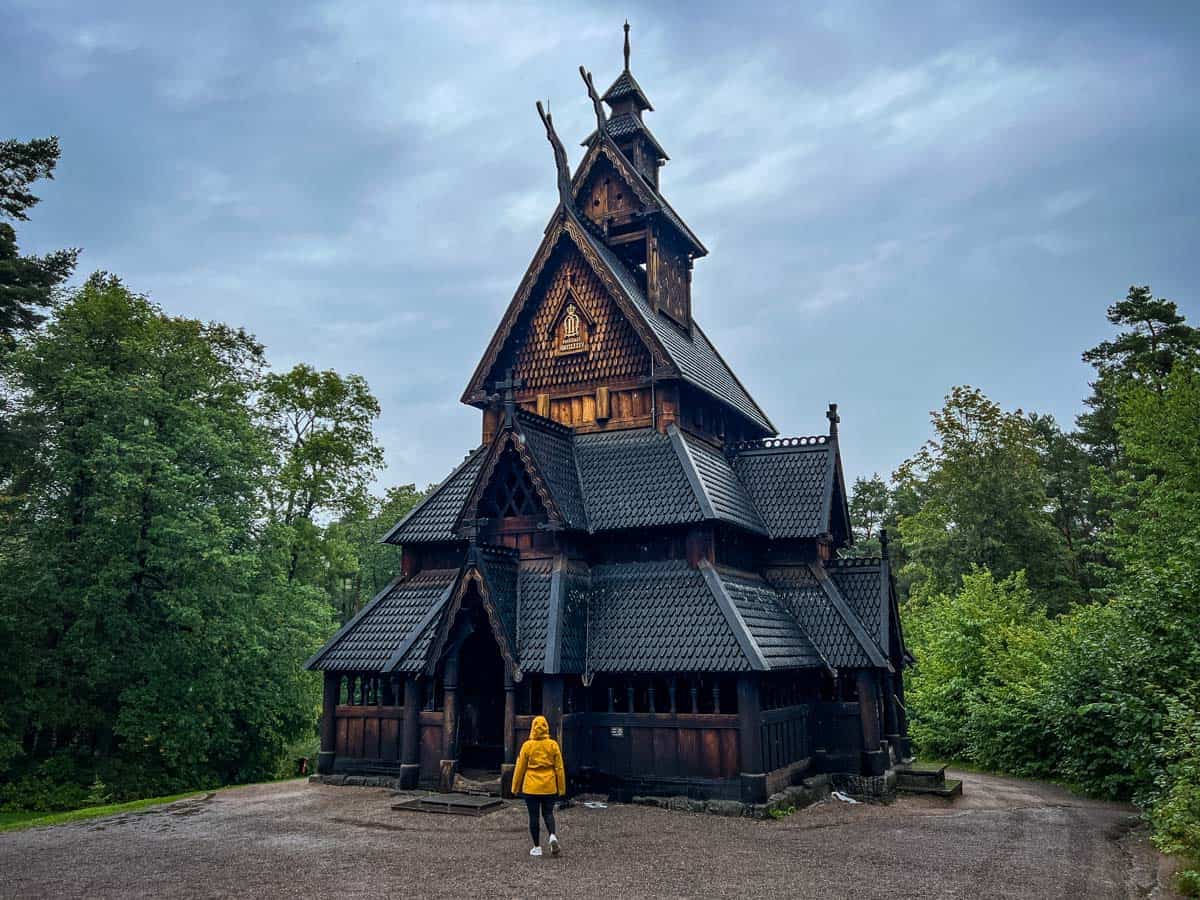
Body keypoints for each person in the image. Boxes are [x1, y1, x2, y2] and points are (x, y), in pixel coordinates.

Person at [511, 714, 565, 857]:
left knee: (533, 816)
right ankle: (552, 835)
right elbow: (559, 768)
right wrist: (561, 788)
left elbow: (520, 767)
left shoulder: (527, 746)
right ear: (546, 728)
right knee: (548, 813)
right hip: (549, 785)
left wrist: (515, 787)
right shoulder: (553, 745)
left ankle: (537, 847)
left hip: (531, 786)